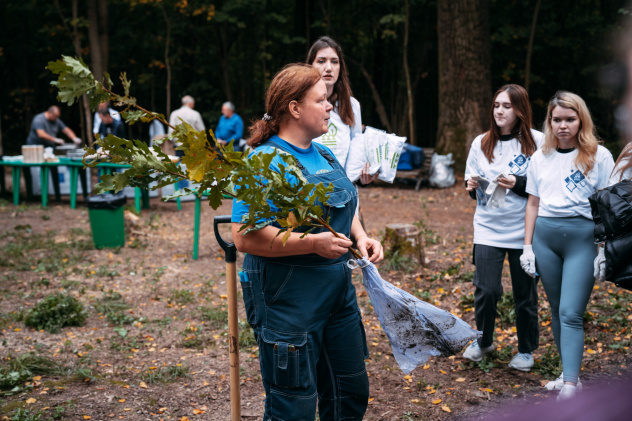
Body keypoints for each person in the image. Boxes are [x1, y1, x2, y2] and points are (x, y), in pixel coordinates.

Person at [231, 63, 383, 420]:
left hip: (337, 297)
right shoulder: (264, 161)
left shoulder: (323, 153)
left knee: (349, 391)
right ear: (294, 108)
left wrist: (361, 236)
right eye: (321, 100)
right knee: (293, 406)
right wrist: (313, 244)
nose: (330, 106)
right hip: (288, 302)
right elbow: (244, 236)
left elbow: (346, 205)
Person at [520, 91, 615, 400]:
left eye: (570, 119)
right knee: (557, 310)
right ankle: (566, 373)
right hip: (545, 238)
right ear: (549, 122)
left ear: (581, 120)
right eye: (556, 119)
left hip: (582, 239)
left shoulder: (599, 156)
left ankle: (572, 386)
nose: (563, 126)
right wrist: (527, 247)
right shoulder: (540, 156)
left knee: (572, 312)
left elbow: (608, 206)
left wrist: (604, 248)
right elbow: (532, 203)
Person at [462, 84, 543, 372]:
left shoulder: (538, 142)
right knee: (486, 289)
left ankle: (526, 350)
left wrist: (518, 183)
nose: (499, 110)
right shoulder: (481, 142)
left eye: (506, 106)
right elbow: (471, 181)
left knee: (525, 293)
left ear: (520, 109)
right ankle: (483, 341)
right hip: (487, 227)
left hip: (525, 230)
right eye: (496, 105)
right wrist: (471, 186)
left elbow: (545, 186)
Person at [307, 36, 375, 185]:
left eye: (334, 61)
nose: (329, 68)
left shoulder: (352, 105)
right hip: (310, 192)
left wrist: (363, 174)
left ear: (341, 67)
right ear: (310, 65)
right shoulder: (301, 104)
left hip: (345, 192)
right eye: (321, 61)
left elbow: (357, 152)